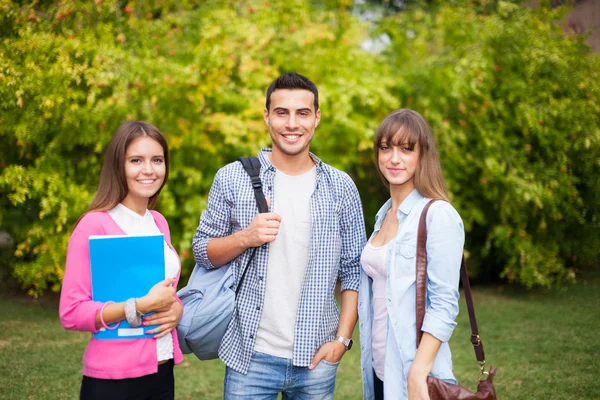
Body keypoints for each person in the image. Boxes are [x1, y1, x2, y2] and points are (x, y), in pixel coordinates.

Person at [192, 72, 366, 399]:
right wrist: (246, 237)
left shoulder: (341, 187)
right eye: (281, 112)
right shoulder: (232, 178)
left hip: (316, 357)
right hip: (249, 356)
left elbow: (353, 270)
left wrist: (341, 341)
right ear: (266, 117)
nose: (291, 123)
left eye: (302, 113)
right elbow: (202, 250)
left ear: (316, 118)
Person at [59, 121, 183, 400]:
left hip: (162, 374)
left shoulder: (159, 222)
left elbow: (165, 290)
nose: (149, 169)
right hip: (113, 381)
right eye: (136, 160)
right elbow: (71, 313)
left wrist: (177, 309)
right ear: (118, 165)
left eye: (157, 160)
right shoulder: (94, 225)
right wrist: (137, 307)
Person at [358, 109, 465, 400]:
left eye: (406, 149)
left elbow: (444, 303)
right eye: (386, 147)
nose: (394, 158)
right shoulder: (383, 215)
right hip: (379, 373)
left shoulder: (437, 215)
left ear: (422, 155)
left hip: (414, 377)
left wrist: (418, 373)